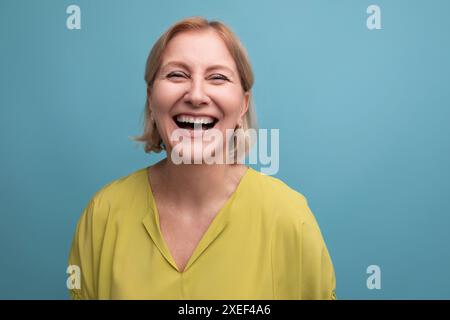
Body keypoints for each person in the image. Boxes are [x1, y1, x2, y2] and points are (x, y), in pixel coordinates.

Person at [68, 16, 336, 300]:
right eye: (177, 75)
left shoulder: (290, 218)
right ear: (151, 97)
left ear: (243, 104)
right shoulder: (103, 216)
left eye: (217, 78)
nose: (196, 95)